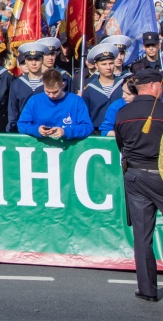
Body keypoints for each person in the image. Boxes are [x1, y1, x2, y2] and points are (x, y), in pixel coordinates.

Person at [113, 68, 163, 301]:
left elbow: (120, 145)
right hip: (159, 174)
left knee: (142, 236)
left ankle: (147, 290)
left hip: (134, 175)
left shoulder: (123, 113)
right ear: (153, 86)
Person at [16, 69, 93, 140]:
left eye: (55, 92)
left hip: (69, 150)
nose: (51, 95)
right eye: (47, 92)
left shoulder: (76, 101)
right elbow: (22, 125)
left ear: (63, 85)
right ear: (43, 85)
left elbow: (87, 127)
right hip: (41, 148)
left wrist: (66, 132)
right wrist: (37, 130)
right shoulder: (34, 100)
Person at [7, 42, 49, 133]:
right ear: (25, 61)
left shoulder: (49, 82)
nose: (33, 63)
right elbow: (13, 111)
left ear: (42, 60)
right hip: (22, 131)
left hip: (46, 130)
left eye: (37, 59)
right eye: (30, 59)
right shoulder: (16, 83)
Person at [83, 43, 125, 131]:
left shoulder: (123, 84)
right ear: (96, 66)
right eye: (104, 64)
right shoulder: (89, 89)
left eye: (111, 63)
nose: (108, 67)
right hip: (97, 132)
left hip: (122, 130)